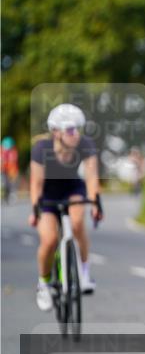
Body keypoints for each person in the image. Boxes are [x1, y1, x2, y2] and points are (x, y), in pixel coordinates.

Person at [29, 104, 103, 311]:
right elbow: (36, 184)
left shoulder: (85, 144)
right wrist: (35, 210)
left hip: (72, 188)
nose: (75, 134)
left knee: (78, 222)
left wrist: (95, 202)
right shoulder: (41, 149)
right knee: (50, 239)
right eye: (71, 130)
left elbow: (91, 177)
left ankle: (85, 272)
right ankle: (43, 283)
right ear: (56, 132)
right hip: (48, 194)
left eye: (78, 129)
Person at [1, 136, 19, 203]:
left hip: (11, 170)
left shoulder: (13, 151)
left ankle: (11, 195)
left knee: (11, 184)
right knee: (5, 183)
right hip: (3, 170)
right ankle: (6, 195)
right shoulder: (1, 151)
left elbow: (13, 162)